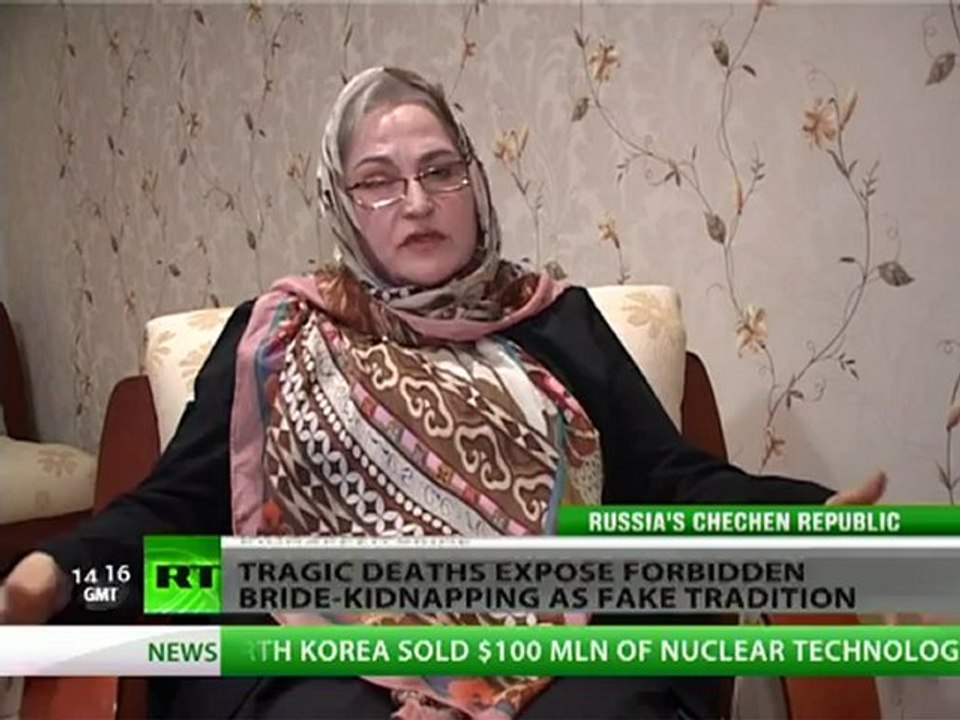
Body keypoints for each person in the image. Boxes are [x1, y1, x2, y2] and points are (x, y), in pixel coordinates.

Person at [0, 66, 885, 719]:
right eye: (379, 181)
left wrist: (800, 519)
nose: (417, 201)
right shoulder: (275, 336)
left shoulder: (555, 319)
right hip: (315, 639)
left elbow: (667, 478)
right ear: (341, 203)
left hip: (564, 636)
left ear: (474, 183)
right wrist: (57, 572)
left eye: (439, 170)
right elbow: (176, 506)